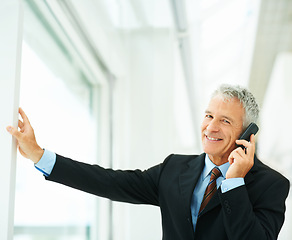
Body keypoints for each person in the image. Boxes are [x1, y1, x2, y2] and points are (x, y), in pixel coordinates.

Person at [7, 84, 290, 240]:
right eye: (208, 115)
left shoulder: (271, 185)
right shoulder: (175, 168)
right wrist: (39, 155)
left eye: (225, 121)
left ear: (246, 134)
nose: (210, 127)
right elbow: (109, 181)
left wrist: (235, 182)